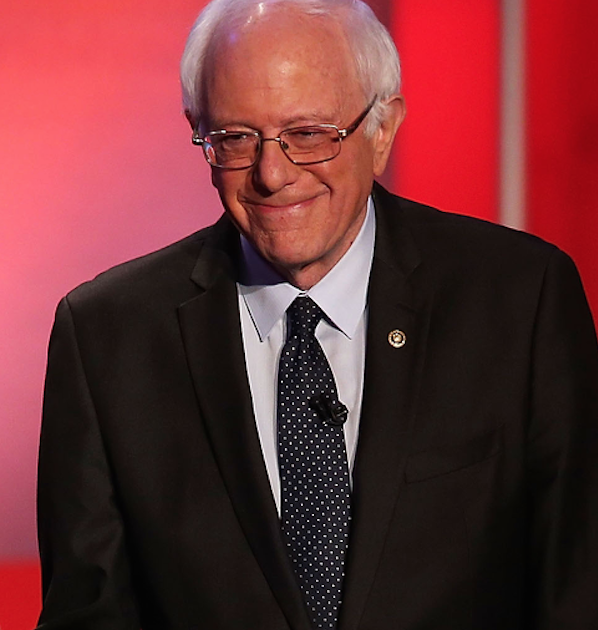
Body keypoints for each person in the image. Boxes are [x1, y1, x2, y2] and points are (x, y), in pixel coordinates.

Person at [36, 0, 598, 628]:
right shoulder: (107, 338)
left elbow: (577, 589)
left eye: (307, 134)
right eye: (235, 138)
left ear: (381, 130)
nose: (272, 175)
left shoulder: (520, 301)